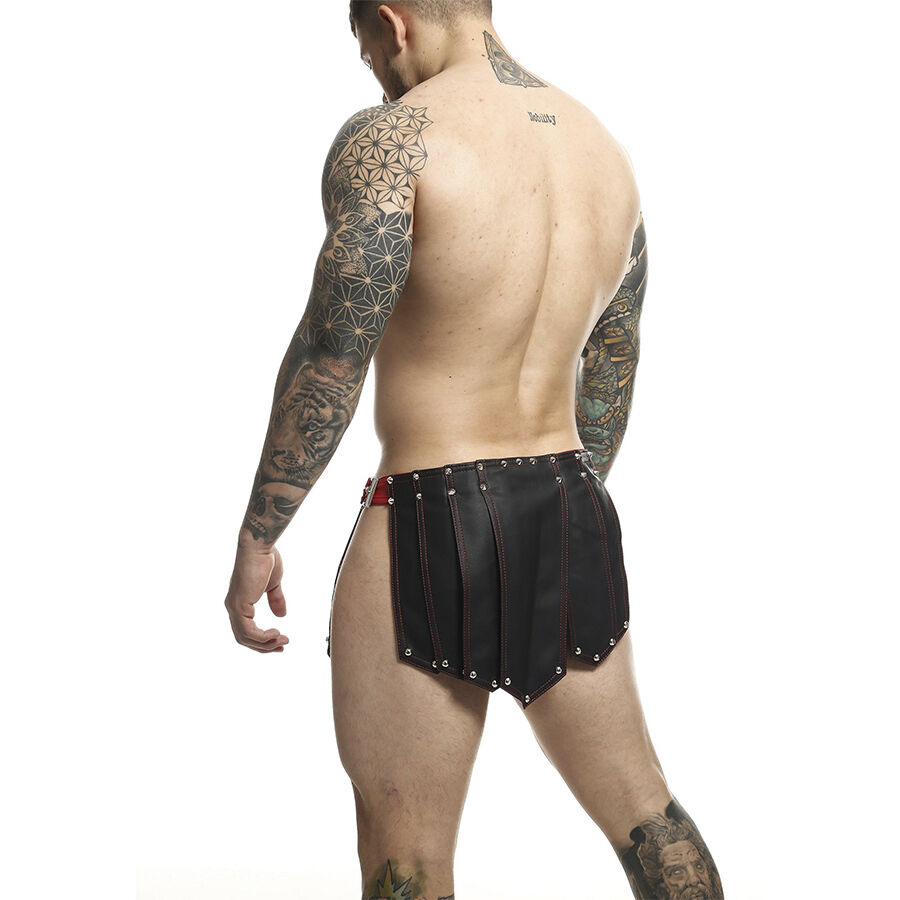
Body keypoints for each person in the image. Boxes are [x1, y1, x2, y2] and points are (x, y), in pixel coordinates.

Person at [223, 2, 724, 897]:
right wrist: (559, 525)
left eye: (365, 48)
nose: (373, 71)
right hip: (569, 508)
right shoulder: (603, 152)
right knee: (648, 815)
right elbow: (613, 361)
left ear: (392, 22)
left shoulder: (395, 138)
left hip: (427, 513)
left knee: (407, 857)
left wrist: (262, 530)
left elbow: (334, 350)